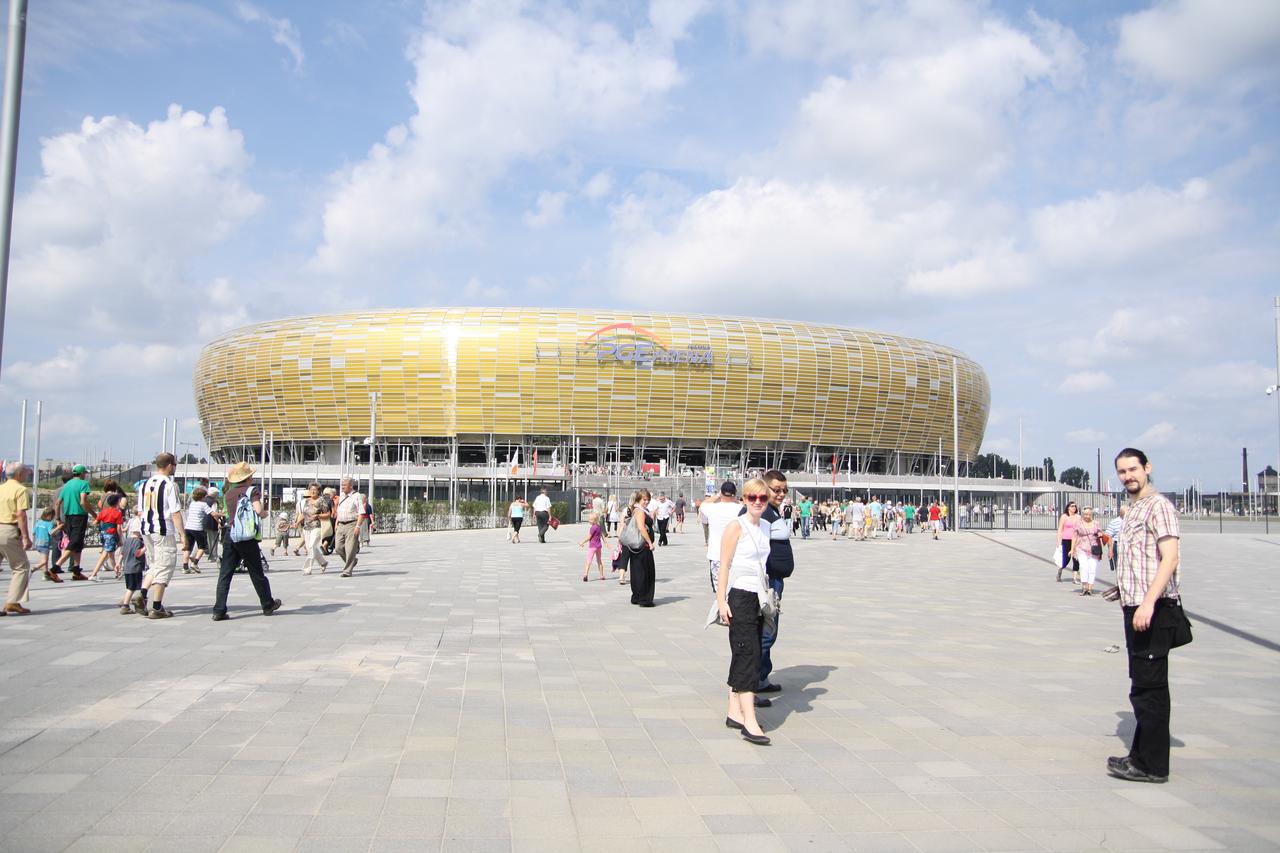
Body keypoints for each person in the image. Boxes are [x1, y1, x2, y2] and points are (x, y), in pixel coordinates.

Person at [1107, 448, 1183, 784]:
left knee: (1150, 688)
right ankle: (1139, 756)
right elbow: (1140, 560)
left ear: (1147, 468)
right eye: (1122, 472)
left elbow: (1170, 558)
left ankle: (1151, 766)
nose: (1128, 476)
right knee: (1142, 685)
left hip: (1153, 609)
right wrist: (1124, 590)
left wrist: (1149, 603)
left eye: (1133, 469)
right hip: (1136, 605)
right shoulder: (1134, 508)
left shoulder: (1158, 506)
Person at [716, 477, 774, 745]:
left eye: (762, 498)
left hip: (758, 597)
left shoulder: (766, 527)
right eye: (752, 497)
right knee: (748, 654)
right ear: (744, 499)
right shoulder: (735, 526)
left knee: (747, 651)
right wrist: (721, 600)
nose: (757, 502)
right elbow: (724, 565)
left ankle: (734, 711)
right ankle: (749, 720)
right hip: (739, 596)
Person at [212, 462, 282, 621]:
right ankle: (267, 604)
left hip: (230, 533)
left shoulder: (228, 493)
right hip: (246, 536)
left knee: (225, 574)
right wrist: (263, 514)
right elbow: (259, 510)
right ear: (248, 477)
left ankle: (219, 610)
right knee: (256, 572)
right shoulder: (252, 491)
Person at [138, 453, 187, 619]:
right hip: (163, 529)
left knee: (155, 564)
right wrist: (183, 535)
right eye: (175, 464)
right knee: (165, 565)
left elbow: (140, 511)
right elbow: (175, 512)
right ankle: (157, 607)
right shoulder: (169, 485)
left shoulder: (145, 484)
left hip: (146, 529)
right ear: (170, 465)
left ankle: (142, 593)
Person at [0, 463, 34, 615]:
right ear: (19, 474)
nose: (27, 474)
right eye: (26, 472)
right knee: (21, 566)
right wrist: (25, 537)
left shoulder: (1, 488)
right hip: (9, 530)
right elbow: (21, 515)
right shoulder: (20, 490)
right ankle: (12, 601)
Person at [54, 464, 94, 581]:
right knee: (74, 543)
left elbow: (57, 503)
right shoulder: (83, 484)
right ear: (82, 474)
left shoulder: (67, 485)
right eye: (85, 473)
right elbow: (83, 502)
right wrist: (94, 514)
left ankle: (76, 571)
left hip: (68, 517)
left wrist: (58, 519)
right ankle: (54, 569)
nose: (85, 475)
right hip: (79, 516)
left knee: (78, 544)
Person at [703, 481, 742, 592]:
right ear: (734, 493)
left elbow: (704, 503)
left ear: (722, 492)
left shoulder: (712, 508)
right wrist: (736, 500)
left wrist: (718, 495)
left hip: (716, 554)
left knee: (719, 590)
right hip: (736, 555)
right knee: (735, 589)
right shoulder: (740, 509)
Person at [623, 489, 656, 606]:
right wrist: (650, 543)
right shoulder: (640, 511)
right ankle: (644, 599)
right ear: (638, 499)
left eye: (648, 500)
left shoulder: (637, 509)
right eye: (644, 499)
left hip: (637, 547)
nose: (646, 502)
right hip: (643, 546)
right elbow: (641, 528)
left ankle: (637, 596)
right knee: (645, 573)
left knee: (637, 572)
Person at [87, 493, 125, 581]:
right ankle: (94, 574)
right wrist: (120, 539)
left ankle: (117, 573)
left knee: (110, 554)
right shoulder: (117, 513)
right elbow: (119, 528)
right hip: (111, 535)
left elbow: (95, 522)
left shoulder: (103, 511)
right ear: (117, 502)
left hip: (103, 534)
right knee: (107, 554)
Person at [333, 476, 365, 577]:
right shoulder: (342, 496)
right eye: (342, 485)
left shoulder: (357, 496)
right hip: (341, 524)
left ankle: (347, 571)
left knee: (350, 549)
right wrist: (337, 522)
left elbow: (361, 512)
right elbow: (339, 510)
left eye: (344, 485)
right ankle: (352, 560)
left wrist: (358, 526)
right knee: (338, 548)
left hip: (352, 524)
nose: (342, 487)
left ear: (351, 486)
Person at [295, 483, 330, 575]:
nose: (313, 491)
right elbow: (303, 514)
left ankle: (307, 569)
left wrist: (318, 516)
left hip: (316, 527)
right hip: (306, 528)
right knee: (311, 548)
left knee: (311, 546)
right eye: (311, 489)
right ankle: (323, 562)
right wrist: (297, 523)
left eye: (315, 490)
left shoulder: (321, 500)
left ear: (318, 491)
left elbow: (328, 514)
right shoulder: (307, 501)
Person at [182, 487, 215, 574]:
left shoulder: (192, 504)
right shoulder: (203, 504)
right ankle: (195, 563)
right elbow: (213, 514)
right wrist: (221, 515)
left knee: (188, 547)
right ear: (203, 497)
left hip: (188, 527)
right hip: (198, 528)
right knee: (202, 547)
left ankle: (185, 567)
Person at [118, 514, 147, 614]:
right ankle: (125, 605)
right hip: (135, 567)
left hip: (127, 567)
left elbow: (122, 553)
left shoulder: (127, 540)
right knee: (132, 588)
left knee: (130, 587)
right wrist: (145, 548)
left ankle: (124, 601)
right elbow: (137, 554)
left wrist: (118, 563)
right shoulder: (138, 542)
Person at [1072, 507, 1104, 596]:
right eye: (1086, 514)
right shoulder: (1078, 523)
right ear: (1082, 514)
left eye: (1089, 514)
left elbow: (1100, 532)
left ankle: (1090, 588)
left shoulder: (1096, 523)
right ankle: (1084, 587)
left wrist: (1100, 534)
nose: (1087, 516)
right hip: (1081, 548)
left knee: (1092, 568)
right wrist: (1072, 549)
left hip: (1094, 549)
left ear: (1092, 514)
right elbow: (1074, 536)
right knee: (1083, 567)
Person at [578, 512, 607, 582]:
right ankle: (601, 575)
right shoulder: (599, 527)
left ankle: (585, 575)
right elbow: (602, 535)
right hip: (598, 546)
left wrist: (582, 542)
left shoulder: (592, 528)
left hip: (592, 547)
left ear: (594, 520)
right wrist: (606, 543)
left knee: (588, 560)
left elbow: (589, 537)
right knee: (599, 560)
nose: (589, 521)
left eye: (590, 520)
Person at [1057, 501, 1081, 583]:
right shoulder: (1064, 516)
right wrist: (1058, 541)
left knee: (1076, 558)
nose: (1074, 507)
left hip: (1076, 540)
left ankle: (1075, 578)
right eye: (1072, 506)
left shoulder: (1078, 517)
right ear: (1068, 507)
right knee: (1066, 559)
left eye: (1075, 506)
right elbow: (1060, 529)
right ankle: (1060, 570)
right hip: (1066, 539)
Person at [32, 508, 60, 578]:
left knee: (44, 560)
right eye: (52, 516)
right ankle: (33, 569)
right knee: (44, 561)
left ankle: (45, 574)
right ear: (50, 515)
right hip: (45, 544)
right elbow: (51, 532)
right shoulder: (49, 524)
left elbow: (33, 532)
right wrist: (58, 527)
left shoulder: (39, 522)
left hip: (38, 543)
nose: (53, 518)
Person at [1106, 506, 1126, 573]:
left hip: (1130, 546)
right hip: (1117, 545)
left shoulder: (1133, 521)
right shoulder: (1114, 522)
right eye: (1124, 513)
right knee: (1119, 567)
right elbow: (1108, 536)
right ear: (1120, 513)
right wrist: (1110, 550)